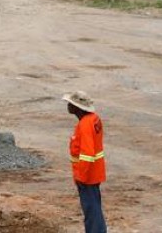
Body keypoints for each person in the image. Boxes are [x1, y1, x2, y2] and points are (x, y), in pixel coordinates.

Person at [64, 90, 107, 233]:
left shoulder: (85, 125)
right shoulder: (94, 119)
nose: (68, 106)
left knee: (91, 210)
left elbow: (87, 154)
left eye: (70, 104)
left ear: (78, 107)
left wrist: (81, 176)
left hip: (87, 175)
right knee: (93, 207)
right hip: (94, 172)